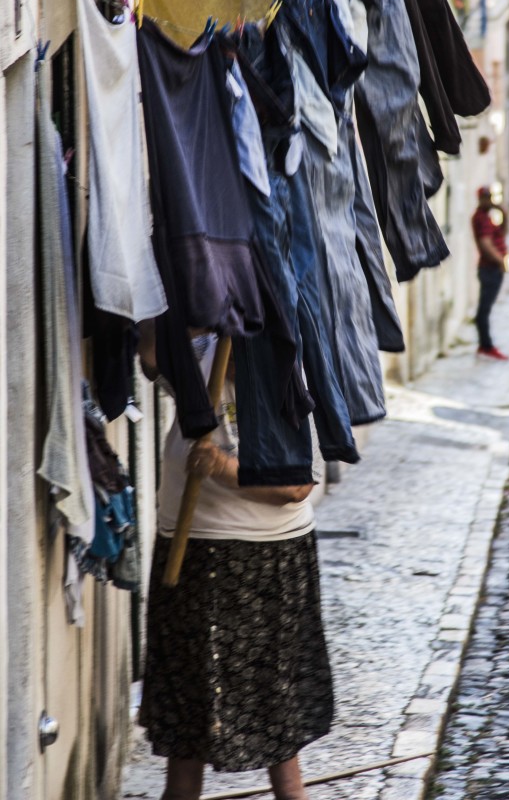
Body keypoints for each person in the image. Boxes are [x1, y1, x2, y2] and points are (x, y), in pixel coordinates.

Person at [137, 326, 334, 800]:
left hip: (264, 560)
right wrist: (193, 314)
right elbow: (148, 346)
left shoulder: (285, 364)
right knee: (190, 703)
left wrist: (223, 467)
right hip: (190, 552)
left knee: (275, 702)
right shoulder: (202, 349)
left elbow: (295, 485)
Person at [471, 186, 509, 361]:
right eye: (486, 198)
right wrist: (500, 261)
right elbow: (486, 244)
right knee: (484, 310)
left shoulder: (488, 218)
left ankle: (485, 345)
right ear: (481, 199)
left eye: (490, 197)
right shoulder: (480, 219)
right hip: (489, 269)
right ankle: (486, 346)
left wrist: (503, 212)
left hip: (492, 268)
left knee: (485, 308)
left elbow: (502, 233)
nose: (489, 201)